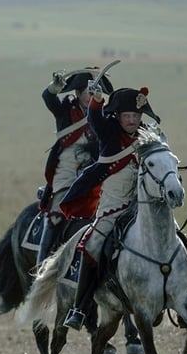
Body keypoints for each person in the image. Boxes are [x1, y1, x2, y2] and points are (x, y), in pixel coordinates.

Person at [61, 86, 160, 330]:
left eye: (135, 116)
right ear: (117, 116)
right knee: (91, 245)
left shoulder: (149, 136)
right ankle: (79, 308)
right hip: (113, 209)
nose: (132, 120)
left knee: (174, 239)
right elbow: (94, 118)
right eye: (127, 116)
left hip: (143, 209)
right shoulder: (109, 133)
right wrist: (96, 100)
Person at [36, 69, 111, 264]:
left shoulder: (105, 116)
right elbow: (49, 98)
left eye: (95, 89)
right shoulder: (65, 111)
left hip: (97, 178)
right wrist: (55, 87)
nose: (91, 94)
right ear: (78, 93)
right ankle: (41, 266)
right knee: (56, 217)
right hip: (67, 176)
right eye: (87, 90)